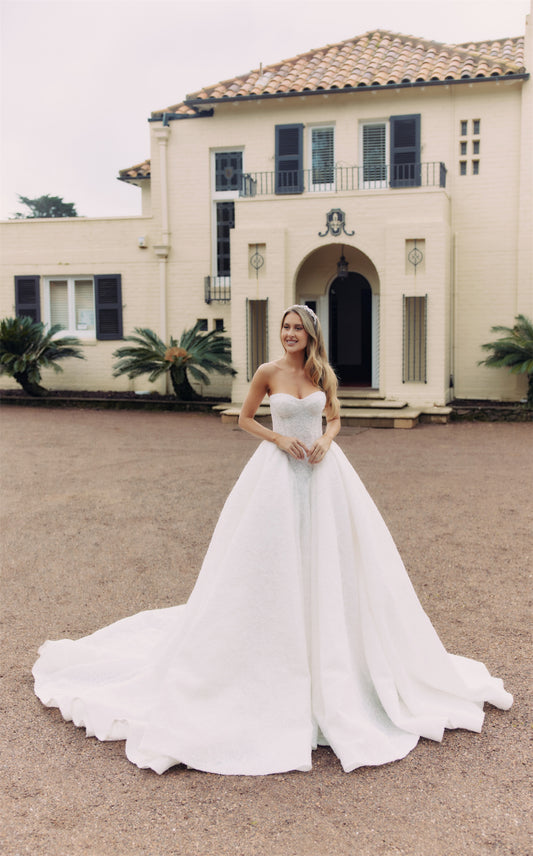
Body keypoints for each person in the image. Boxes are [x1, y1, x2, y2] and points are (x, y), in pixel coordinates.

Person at [33, 305, 512, 776]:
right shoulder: (268, 371)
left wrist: (328, 438)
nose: (289, 334)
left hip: (323, 476)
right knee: (268, 564)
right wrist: (278, 439)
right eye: (285, 327)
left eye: (297, 328)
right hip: (277, 475)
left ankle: (336, 660)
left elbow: (336, 418)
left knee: (333, 560)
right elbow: (244, 418)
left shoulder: (323, 373)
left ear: (310, 334)